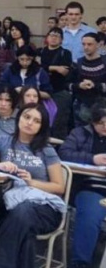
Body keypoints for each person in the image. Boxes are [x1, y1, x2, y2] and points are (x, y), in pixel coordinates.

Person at [0, 104, 65, 268]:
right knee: (24, 231)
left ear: (41, 126)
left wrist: (32, 183)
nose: (30, 123)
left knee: (22, 212)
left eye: (36, 121)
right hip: (9, 203)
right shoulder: (3, 141)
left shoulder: (46, 149)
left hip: (44, 208)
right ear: (19, 118)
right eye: (27, 117)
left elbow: (59, 187)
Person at [59, 101, 106, 268]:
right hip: (88, 186)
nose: (105, 127)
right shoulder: (80, 133)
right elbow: (64, 153)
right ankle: (80, 264)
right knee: (91, 215)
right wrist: (92, 159)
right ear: (93, 121)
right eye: (101, 123)